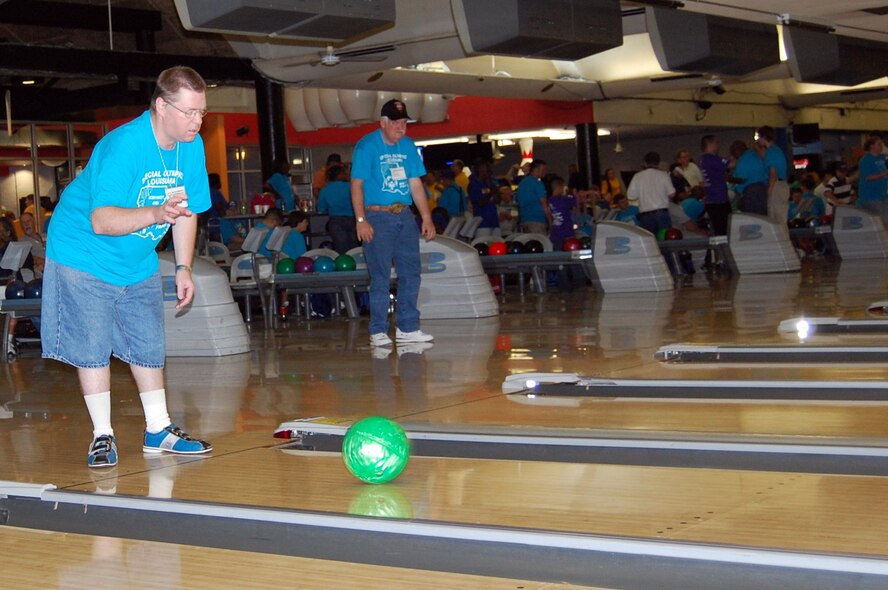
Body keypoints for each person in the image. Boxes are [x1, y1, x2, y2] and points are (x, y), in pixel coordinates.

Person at [41, 66, 213, 469]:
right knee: (93, 347)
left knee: (147, 341)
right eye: (189, 112)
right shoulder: (123, 146)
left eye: (202, 112)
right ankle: (102, 435)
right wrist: (156, 213)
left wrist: (183, 267)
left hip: (136, 257)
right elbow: (102, 221)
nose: (197, 121)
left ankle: (159, 430)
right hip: (83, 251)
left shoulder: (191, 145)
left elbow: (186, 210)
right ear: (161, 106)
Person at [351, 98, 435, 348]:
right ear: (383, 122)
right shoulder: (367, 146)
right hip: (377, 216)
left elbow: (415, 184)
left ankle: (408, 327)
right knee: (381, 275)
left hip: (404, 215)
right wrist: (361, 220)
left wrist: (426, 217)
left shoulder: (408, 146)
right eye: (396, 122)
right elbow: (356, 185)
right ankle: (378, 330)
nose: (401, 127)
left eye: (404, 122)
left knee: (411, 272)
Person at [626, 152, 674, 236]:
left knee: (650, 241)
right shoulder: (664, 175)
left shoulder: (637, 176)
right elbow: (672, 193)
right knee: (665, 240)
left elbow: (630, 196)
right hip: (662, 214)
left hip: (646, 216)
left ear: (645, 163)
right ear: (658, 163)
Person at [317, 164, 358, 254]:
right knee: (354, 247)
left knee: (341, 248)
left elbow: (321, 208)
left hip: (335, 220)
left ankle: (343, 262)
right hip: (353, 219)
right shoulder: (351, 187)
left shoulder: (326, 189)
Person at [756, 126, 790, 224]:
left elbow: (773, 175)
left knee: (776, 220)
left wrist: (769, 193)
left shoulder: (770, 152)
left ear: (764, 137)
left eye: (759, 137)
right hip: (783, 185)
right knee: (781, 219)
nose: (758, 140)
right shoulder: (777, 150)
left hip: (776, 186)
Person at [730, 139, 768, 215]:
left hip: (751, 193)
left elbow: (741, 183)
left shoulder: (742, 161)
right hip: (763, 190)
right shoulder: (755, 155)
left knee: (751, 218)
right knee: (761, 218)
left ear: (737, 152)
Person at [857, 135, 888, 224]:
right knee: (883, 220)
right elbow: (868, 177)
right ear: (872, 146)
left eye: (881, 144)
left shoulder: (882, 157)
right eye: (879, 144)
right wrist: (883, 174)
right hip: (871, 197)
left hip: (882, 195)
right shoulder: (865, 160)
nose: (881, 146)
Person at [516, 159, 550, 234]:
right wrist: (550, 220)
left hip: (524, 220)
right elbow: (544, 204)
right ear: (535, 169)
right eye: (543, 170)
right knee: (539, 240)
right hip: (537, 220)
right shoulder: (538, 183)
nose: (545, 172)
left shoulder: (522, 183)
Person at [467, 161, 500, 238]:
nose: (486, 172)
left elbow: (498, 200)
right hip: (482, 224)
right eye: (483, 170)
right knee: (483, 243)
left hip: (494, 222)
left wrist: (494, 189)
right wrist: (490, 193)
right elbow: (480, 203)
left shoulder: (490, 183)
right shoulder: (474, 184)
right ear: (478, 170)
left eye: (487, 170)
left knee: (497, 243)